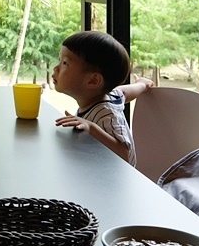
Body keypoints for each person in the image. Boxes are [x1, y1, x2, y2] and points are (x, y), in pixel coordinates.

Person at [52, 31, 153, 165]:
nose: (56, 68)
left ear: (93, 81)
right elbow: (124, 93)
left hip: (113, 182)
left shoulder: (107, 115)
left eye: (65, 63)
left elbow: (124, 155)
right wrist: (142, 84)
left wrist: (91, 128)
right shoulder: (111, 96)